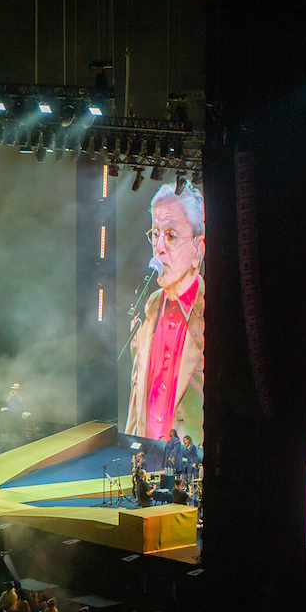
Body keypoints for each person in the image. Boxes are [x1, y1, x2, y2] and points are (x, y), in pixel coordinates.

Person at [125, 183, 206, 444]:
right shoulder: (147, 310)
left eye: (171, 235)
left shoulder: (210, 315)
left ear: (198, 249)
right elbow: (136, 403)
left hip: (189, 472)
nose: (159, 247)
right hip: (145, 464)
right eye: (155, 234)